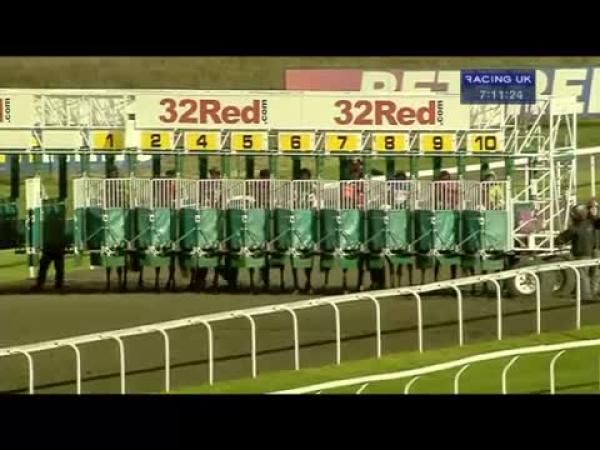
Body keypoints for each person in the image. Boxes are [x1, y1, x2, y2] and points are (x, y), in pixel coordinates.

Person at [556, 204, 597, 301]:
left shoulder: (575, 227)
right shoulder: (591, 224)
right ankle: (593, 294)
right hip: (593, 253)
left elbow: (560, 238)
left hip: (581, 255)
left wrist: (560, 242)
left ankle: (586, 296)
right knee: (593, 275)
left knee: (583, 276)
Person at [587, 198, 600, 297]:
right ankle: (593, 291)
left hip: (597, 248)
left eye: (595, 208)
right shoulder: (586, 221)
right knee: (594, 271)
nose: (594, 210)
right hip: (592, 249)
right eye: (592, 208)